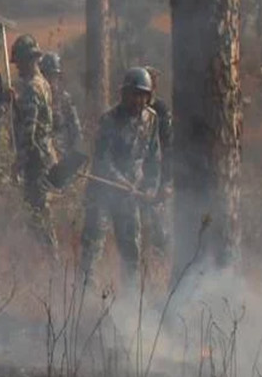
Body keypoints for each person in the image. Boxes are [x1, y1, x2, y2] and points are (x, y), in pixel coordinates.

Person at [79, 68, 163, 290]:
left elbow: (154, 158)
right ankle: (84, 296)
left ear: (148, 96)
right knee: (93, 244)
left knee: (130, 249)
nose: (136, 100)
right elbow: (102, 160)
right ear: (123, 94)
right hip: (103, 193)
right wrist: (122, 183)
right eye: (132, 94)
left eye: (141, 95)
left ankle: (131, 298)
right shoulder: (109, 120)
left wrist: (151, 187)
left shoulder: (152, 120)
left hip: (130, 196)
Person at [11, 35, 58, 247]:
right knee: (40, 217)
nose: (17, 67)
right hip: (47, 158)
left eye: (19, 62)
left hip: (36, 163)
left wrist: (17, 164)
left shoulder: (31, 88)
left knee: (39, 220)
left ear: (29, 60)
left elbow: (28, 134)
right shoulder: (45, 85)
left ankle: (54, 270)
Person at [142, 66, 175, 258]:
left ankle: (162, 256)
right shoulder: (132, 106)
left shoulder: (160, 109)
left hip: (159, 170)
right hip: (138, 172)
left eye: (154, 80)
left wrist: (166, 181)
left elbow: (167, 147)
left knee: (159, 219)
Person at [41, 52, 83, 161]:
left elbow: (75, 128)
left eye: (53, 76)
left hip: (65, 157)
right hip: (45, 158)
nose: (50, 81)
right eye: (47, 76)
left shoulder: (65, 99)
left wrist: (75, 154)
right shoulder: (39, 100)